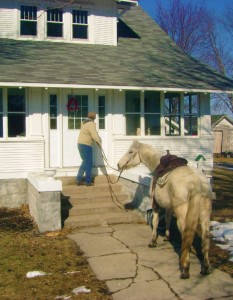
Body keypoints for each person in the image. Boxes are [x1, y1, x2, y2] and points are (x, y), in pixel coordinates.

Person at [77, 112, 101, 186]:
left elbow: (91, 133)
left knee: (85, 161)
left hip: (80, 144)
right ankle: (88, 182)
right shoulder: (91, 124)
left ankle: (79, 179)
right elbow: (94, 134)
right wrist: (99, 141)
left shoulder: (84, 122)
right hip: (86, 145)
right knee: (89, 163)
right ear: (94, 117)